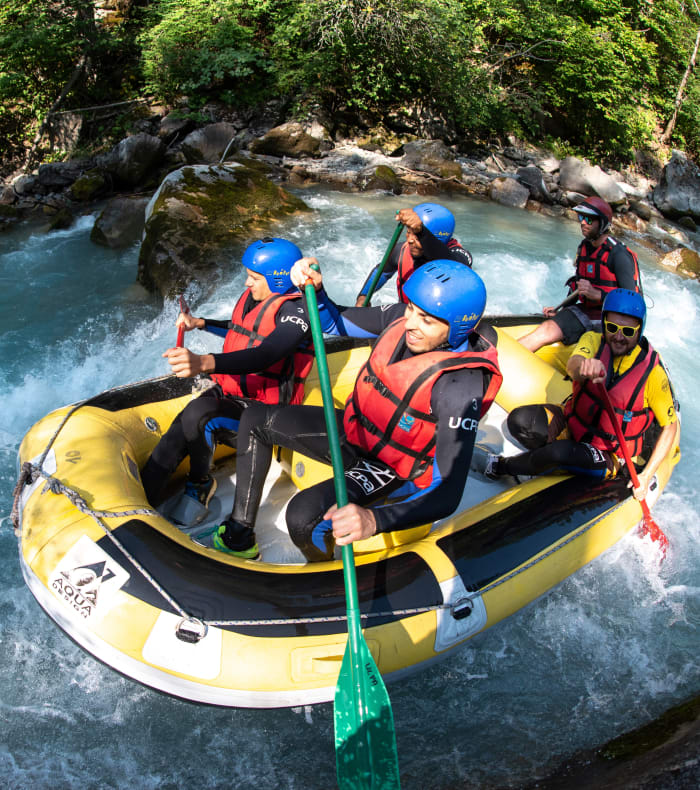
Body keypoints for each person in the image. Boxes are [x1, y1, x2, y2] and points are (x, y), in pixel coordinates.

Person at [213, 258, 502, 561]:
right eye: (412, 309)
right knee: (256, 417)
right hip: (357, 432)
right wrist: (317, 289)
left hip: (393, 467)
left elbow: (448, 493)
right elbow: (332, 321)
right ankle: (240, 535)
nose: (411, 324)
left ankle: (324, 578)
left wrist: (372, 520)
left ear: (457, 328)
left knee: (303, 517)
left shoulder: (460, 386)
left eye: (427, 320)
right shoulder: (400, 319)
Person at [140, 237, 313, 550]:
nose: (247, 282)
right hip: (236, 394)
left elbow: (267, 354)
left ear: (278, 278)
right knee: (182, 423)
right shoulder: (254, 296)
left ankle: (200, 484)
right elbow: (241, 329)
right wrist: (201, 323)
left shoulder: (298, 312)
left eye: (254, 277)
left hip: (268, 411)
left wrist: (204, 362)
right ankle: (139, 501)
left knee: (198, 413)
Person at [486, 289, 678, 501]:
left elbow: (670, 426)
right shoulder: (593, 340)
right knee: (521, 422)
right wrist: (584, 367)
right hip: (573, 423)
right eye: (612, 328)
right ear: (604, 323)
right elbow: (573, 366)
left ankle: (500, 466)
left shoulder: (652, 373)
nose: (619, 336)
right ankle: (555, 463)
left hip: (610, 453)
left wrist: (647, 473)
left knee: (561, 453)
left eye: (628, 331)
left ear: (639, 330)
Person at [518, 197, 642, 353]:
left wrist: (598, 295)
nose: (583, 222)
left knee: (592, 351)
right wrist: (561, 308)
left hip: (612, 323)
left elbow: (633, 301)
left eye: (589, 219)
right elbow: (577, 286)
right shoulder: (584, 248)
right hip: (585, 311)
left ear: (602, 223)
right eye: (581, 218)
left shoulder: (619, 255)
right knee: (546, 330)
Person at [354, 203, 473, 306]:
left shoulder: (460, 256)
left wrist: (421, 232)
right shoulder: (400, 250)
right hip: (407, 314)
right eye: (408, 232)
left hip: (440, 321)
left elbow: (450, 265)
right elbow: (381, 273)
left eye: (416, 236)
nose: (410, 240)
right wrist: (363, 297)